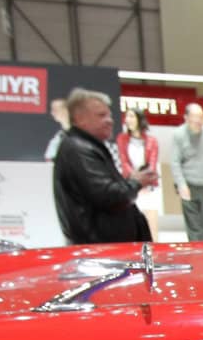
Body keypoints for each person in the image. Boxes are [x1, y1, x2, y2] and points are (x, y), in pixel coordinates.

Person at [52, 88, 157, 245]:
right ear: (80, 118)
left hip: (106, 247)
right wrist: (136, 183)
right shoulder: (79, 149)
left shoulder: (86, 147)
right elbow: (109, 196)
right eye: (101, 115)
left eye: (109, 115)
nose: (110, 120)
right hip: (101, 250)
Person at [169, 102, 203, 241]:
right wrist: (181, 185)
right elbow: (175, 162)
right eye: (195, 117)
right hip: (190, 186)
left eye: (201, 117)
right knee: (194, 227)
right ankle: (198, 253)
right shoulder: (179, 135)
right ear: (186, 117)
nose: (198, 121)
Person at [117, 108, 162, 239]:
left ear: (139, 119)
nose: (128, 120)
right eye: (127, 117)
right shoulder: (122, 139)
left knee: (152, 224)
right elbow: (124, 162)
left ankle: (154, 252)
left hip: (149, 187)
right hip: (131, 185)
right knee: (132, 223)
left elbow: (152, 165)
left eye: (131, 116)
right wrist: (136, 182)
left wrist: (144, 182)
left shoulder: (152, 141)